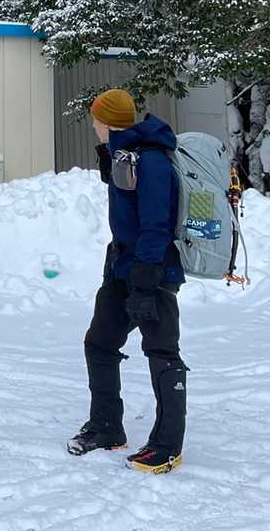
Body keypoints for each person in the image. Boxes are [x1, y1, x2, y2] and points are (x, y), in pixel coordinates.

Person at [67, 88, 188, 474]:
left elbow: (156, 223)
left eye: (96, 120)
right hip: (123, 269)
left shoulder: (151, 161)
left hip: (153, 272)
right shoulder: (125, 155)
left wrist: (146, 281)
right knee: (100, 344)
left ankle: (167, 447)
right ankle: (106, 427)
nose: (93, 126)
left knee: (162, 352)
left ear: (106, 121)